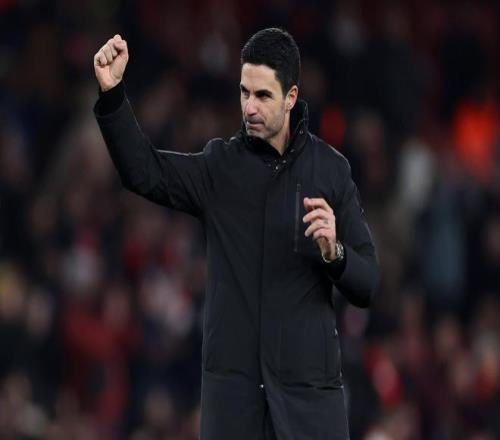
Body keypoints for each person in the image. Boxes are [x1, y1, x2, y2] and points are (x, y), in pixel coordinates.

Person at [93, 28, 380, 440]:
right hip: (234, 405)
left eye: (263, 95)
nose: (250, 107)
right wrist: (112, 94)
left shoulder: (330, 171)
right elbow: (144, 171)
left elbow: (368, 284)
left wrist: (335, 252)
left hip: (309, 405)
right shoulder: (220, 168)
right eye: (244, 92)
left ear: (291, 97)